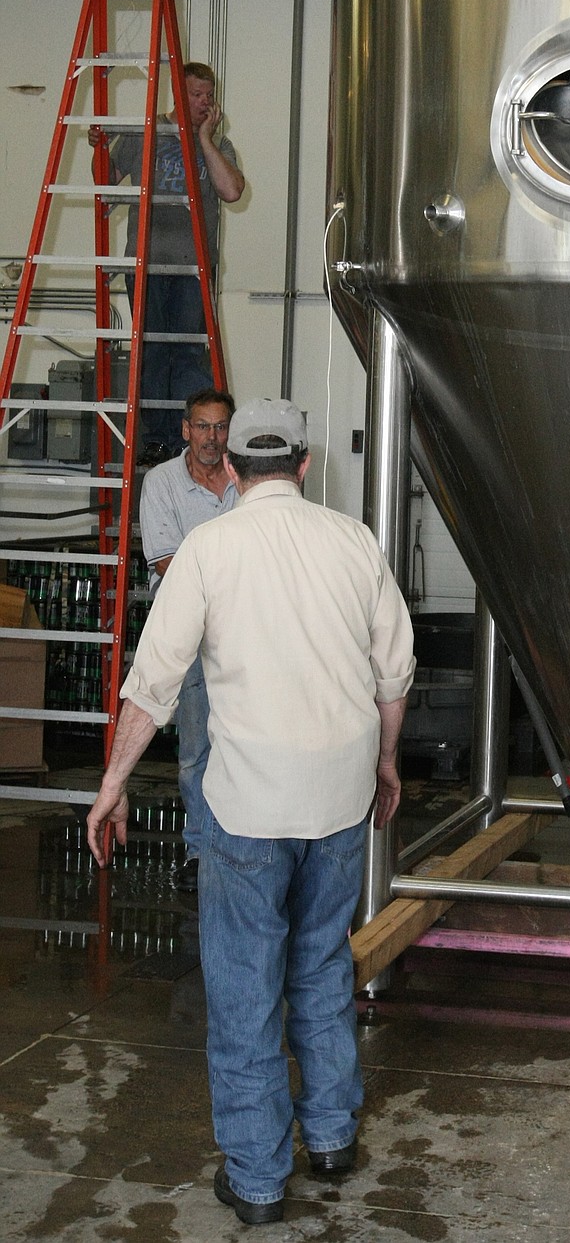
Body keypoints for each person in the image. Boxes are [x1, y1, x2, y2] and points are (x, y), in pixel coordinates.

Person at [86, 397, 415, 1225]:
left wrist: (112, 784)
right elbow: (395, 670)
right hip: (340, 798)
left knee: (243, 986)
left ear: (230, 468)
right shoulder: (353, 542)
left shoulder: (210, 547)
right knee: (320, 961)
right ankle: (333, 1135)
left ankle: (260, 1178)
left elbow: (152, 682)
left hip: (248, 806)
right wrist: (383, 761)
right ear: (304, 465)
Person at [89, 62, 245, 458]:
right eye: (197, 95)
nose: (205, 102)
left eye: (209, 95)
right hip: (149, 265)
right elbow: (105, 178)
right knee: (153, 352)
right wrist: (97, 147)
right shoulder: (147, 134)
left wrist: (205, 138)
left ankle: (192, 441)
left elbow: (231, 191)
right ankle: (158, 438)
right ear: (178, 94)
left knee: (191, 353)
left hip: (194, 267)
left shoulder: (218, 144)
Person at [139, 386, 238, 891]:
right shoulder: (161, 484)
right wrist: (232, 579)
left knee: (248, 743)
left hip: (244, 636)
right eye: (202, 426)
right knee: (198, 750)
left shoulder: (245, 482)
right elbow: (165, 564)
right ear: (185, 429)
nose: (212, 438)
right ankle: (201, 853)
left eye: (221, 427)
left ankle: (242, 850)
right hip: (193, 638)